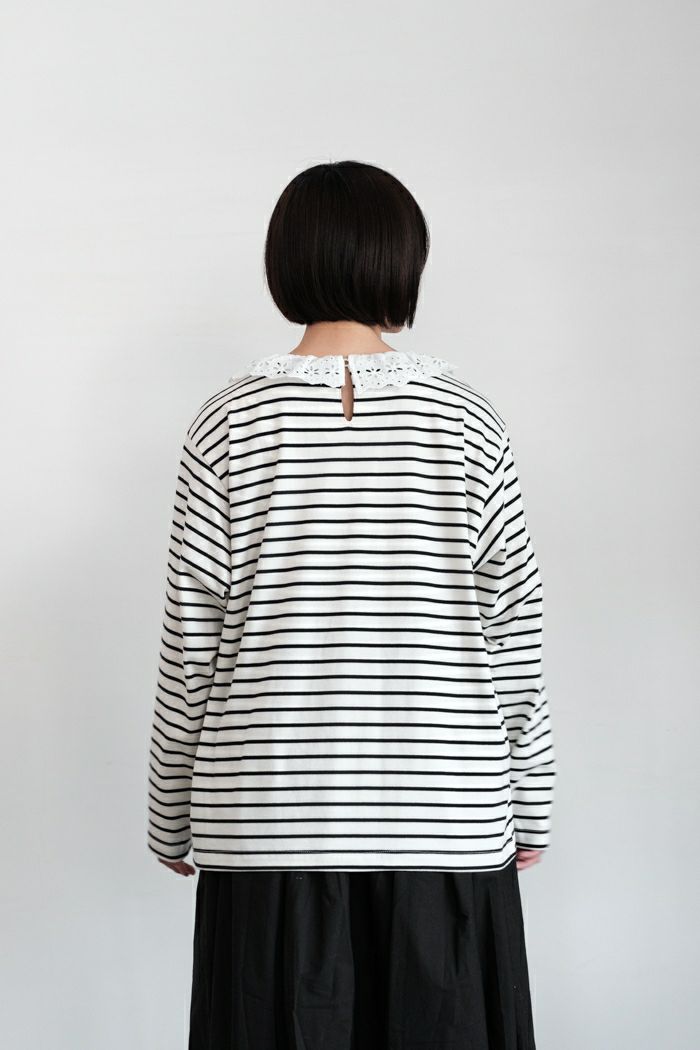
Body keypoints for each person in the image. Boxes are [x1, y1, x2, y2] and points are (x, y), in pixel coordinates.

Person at [146, 160, 557, 1049]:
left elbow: (191, 644)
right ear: (403, 262)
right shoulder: (468, 421)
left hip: (267, 826)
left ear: (284, 262)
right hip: (446, 823)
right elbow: (512, 631)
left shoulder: (226, 423)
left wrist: (170, 811)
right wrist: (530, 799)